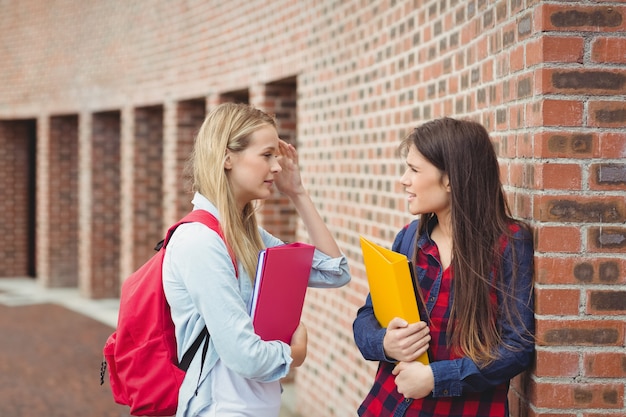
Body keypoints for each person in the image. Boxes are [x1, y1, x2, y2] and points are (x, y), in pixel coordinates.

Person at [162, 102, 351, 417]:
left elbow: (335, 272)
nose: (277, 167)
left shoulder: (250, 236)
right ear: (227, 158)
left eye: (276, 156)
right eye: (267, 155)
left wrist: (298, 194)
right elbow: (244, 356)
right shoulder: (200, 241)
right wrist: (294, 353)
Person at [353, 117, 535, 417]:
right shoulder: (409, 237)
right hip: (387, 407)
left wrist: (436, 379)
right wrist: (385, 342)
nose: (403, 179)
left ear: (450, 178)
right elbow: (367, 317)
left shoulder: (509, 245)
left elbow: (516, 348)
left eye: (413, 169)